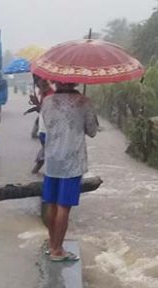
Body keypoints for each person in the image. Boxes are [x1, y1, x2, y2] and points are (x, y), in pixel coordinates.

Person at [41, 82, 98, 262]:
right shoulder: (84, 102)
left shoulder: (47, 101)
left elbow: (48, 124)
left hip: (52, 159)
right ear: (76, 81)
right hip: (72, 161)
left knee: (51, 203)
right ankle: (58, 250)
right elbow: (92, 131)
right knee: (64, 206)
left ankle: (53, 245)